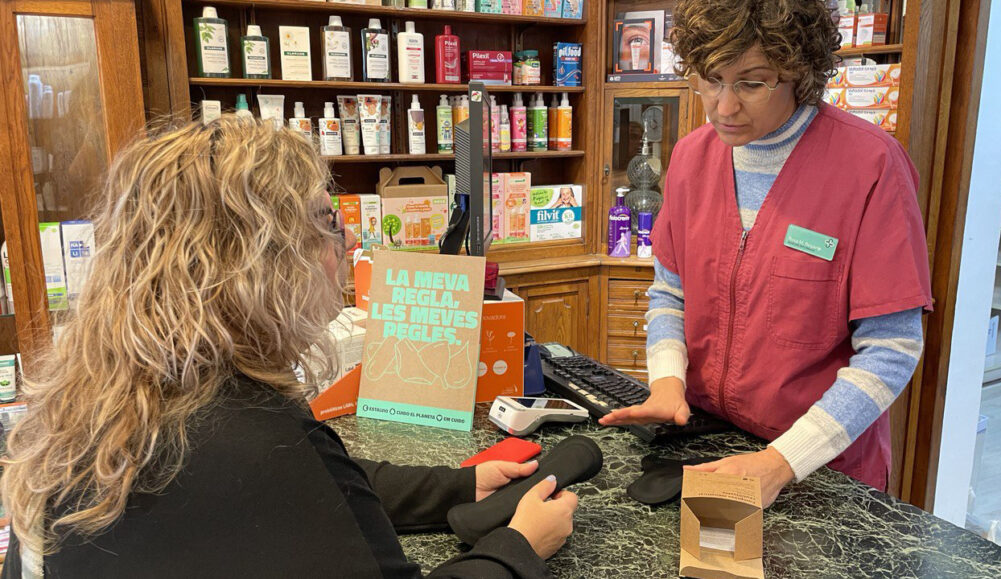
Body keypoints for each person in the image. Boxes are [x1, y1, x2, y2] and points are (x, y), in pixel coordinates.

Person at [0, 116, 576, 578]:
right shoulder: (255, 437)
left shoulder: (110, 401)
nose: (343, 245)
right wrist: (517, 548)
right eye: (328, 222)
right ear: (261, 259)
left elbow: (323, 486)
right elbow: (291, 479)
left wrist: (461, 485)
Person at [601, 0, 932, 507]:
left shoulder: (870, 166)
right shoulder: (691, 157)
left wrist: (783, 461)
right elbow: (671, 292)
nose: (723, 107)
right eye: (710, 79)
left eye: (751, 83)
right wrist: (668, 380)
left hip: (819, 463)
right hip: (709, 440)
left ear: (800, 71)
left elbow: (892, 348)